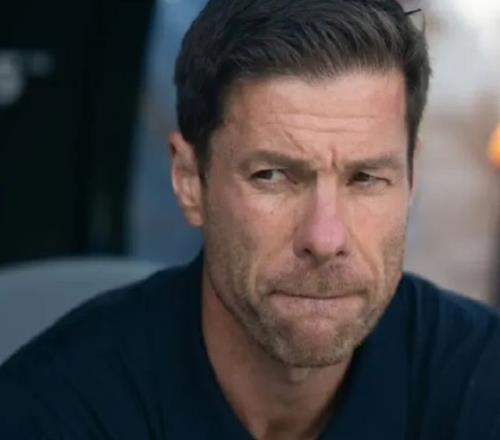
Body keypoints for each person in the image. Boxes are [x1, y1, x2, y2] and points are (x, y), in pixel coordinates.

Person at [1, 0, 500, 439]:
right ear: (189, 181)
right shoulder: (53, 409)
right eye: (273, 176)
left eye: (366, 178)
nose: (325, 238)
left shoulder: (480, 382)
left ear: (411, 179)